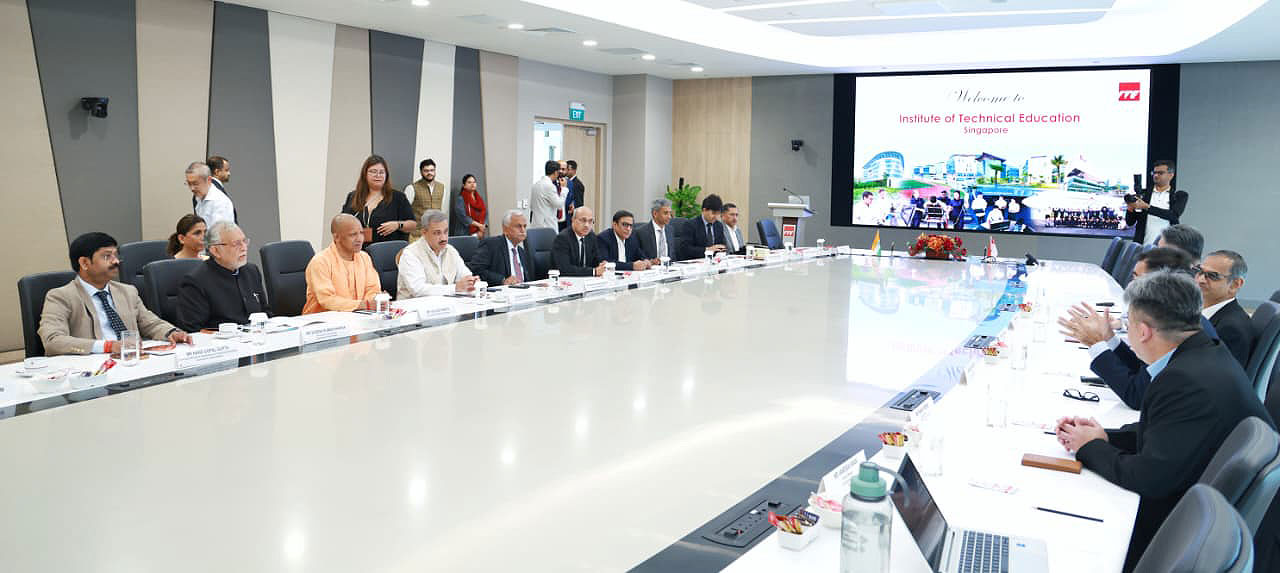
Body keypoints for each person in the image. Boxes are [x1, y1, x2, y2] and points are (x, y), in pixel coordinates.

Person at [1056, 271, 1272, 571]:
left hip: (1174, 529)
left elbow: (1147, 478)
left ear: (1143, 332)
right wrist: (1104, 436)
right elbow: (1168, 429)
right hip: (1202, 505)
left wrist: (1089, 448)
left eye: (1128, 324)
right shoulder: (1202, 350)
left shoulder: (1184, 380)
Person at [1059, 247, 1219, 410]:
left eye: (1138, 279)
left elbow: (1137, 395)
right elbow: (1142, 370)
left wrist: (1096, 344)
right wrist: (1109, 338)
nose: (1131, 284)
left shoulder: (1176, 328)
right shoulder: (1177, 314)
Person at [38, 232, 192, 355]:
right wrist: (108, 346)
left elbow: (150, 323)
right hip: (93, 371)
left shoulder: (128, 291)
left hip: (132, 361)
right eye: (107, 256)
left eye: (116, 255)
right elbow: (52, 340)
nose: (116, 261)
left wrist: (171, 333)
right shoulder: (60, 297)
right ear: (84, 263)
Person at [175, 222, 269, 331]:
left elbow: (265, 312)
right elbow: (193, 331)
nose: (244, 248)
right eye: (236, 244)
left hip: (257, 336)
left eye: (244, 241)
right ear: (215, 251)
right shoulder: (196, 281)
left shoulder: (251, 271)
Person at [303, 214, 384, 314]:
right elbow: (327, 299)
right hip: (323, 319)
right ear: (336, 237)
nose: (359, 239)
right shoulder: (320, 261)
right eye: (353, 235)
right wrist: (364, 305)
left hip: (359, 315)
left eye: (361, 233)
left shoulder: (364, 257)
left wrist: (375, 300)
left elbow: (372, 288)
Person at [397, 210, 478, 298]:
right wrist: (455, 288)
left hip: (446, 303)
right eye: (437, 233)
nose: (443, 238)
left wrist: (470, 282)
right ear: (424, 233)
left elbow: (465, 275)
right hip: (414, 305)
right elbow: (418, 289)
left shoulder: (450, 250)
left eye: (445, 232)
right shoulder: (410, 254)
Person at [1197, 250, 1256, 368]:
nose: (1201, 280)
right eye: (1199, 271)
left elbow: (1213, 374)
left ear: (1235, 285)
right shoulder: (1203, 313)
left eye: (1213, 276)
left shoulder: (1231, 329)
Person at [342, 155, 417, 246]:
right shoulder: (353, 196)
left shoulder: (398, 197)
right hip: (357, 249)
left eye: (381, 172)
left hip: (387, 250)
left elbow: (413, 225)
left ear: (386, 175)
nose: (377, 175)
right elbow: (342, 223)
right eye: (373, 171)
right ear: (365, 174)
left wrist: (398, 225)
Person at [1127, 160, 1189, 245]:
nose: (1156, 175)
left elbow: (1173, 215)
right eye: (1154, 173)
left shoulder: (1179, 195)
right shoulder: (1143, 195)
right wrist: (1130, 207)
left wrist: (1147, 207)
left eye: (1160, 173)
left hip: (1168, 248)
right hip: (1143, 246)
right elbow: (1130, 222)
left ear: (1171, 175)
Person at [470, 209, 534, 286]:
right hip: (502, 291)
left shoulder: (522, 252)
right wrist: (502, 280)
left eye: (524, 226)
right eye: (518, 226)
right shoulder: (490, 245)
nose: (523, 230)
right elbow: (476, 270)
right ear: (505, 229)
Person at [552, 206, 605, 277]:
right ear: (573, 220)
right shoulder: (562, 239)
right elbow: (564, 269)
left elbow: (596, 260)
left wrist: (602, 264)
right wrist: (593, 272)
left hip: (586, 280)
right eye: (583, 220)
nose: (587, 225)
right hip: (566, 280)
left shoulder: (591, 237)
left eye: (590, 221)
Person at [404, 159, 447, 241]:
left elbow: (441, 210)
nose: (429, 173)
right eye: (426, 171)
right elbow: (405, 212)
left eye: (432, 170)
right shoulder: (411, 188)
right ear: (421, 172)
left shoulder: (442, 188)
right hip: (417, 235)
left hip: (435, 234)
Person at [187, 161, 235, 229]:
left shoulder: (220, 202)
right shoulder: (198, 198)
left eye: (195, 184)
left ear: (209, 180)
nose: (192, 188)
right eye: (189, 184)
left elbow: (218, 233)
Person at [679, 194, 727, 261]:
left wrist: (722, 248)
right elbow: (685, 249)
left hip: (714, 261)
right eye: (713, 213)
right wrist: (707, 250)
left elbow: (721, 244)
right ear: (704, 210)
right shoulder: (690, 225)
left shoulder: (718, 225)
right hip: (696, 262)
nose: (716, 217)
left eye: (718, 214)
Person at [634, 198, 676, 263]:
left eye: (670, 213)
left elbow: (672, 255)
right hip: (651, 267)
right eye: (666, 213)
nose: (669, 217)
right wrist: (651, 262)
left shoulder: (670, 230)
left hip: (669, 266)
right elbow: (638, 256)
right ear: (655, 214)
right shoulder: (641, 232)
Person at [530, 160, 562, 230]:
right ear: (556, 172)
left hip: (536, 224)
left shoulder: (535, 185)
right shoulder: (550, 186)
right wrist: (564, 189)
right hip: (547, 226)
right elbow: (559, 205)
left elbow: (531, 206)